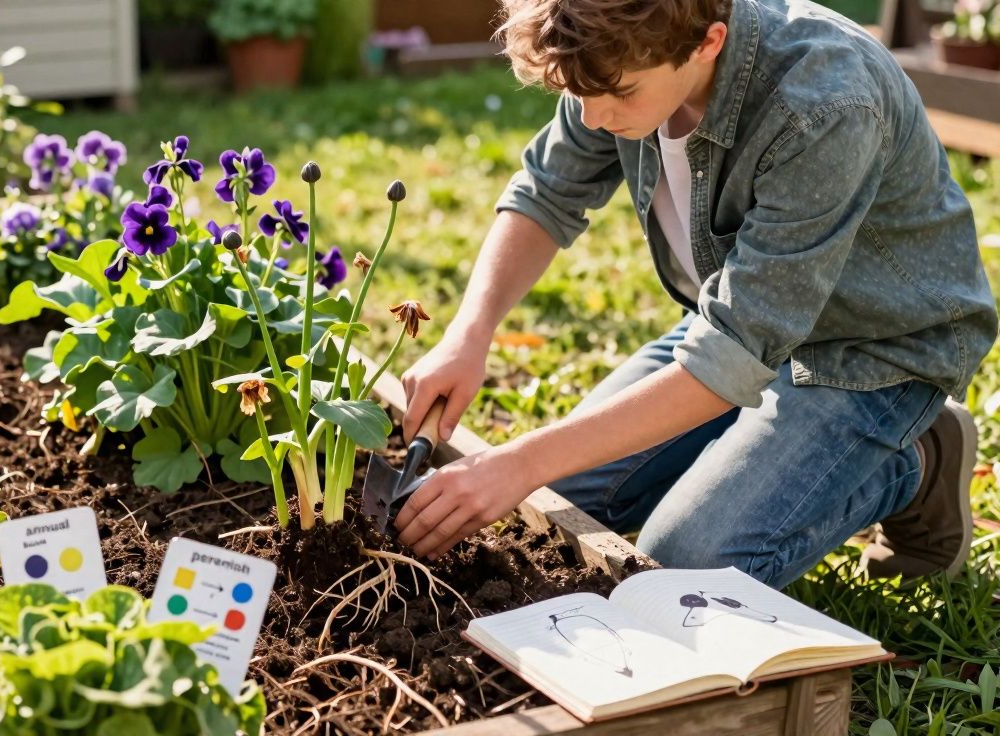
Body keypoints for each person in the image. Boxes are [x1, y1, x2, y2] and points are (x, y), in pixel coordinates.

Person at [393, 0, 997, 589]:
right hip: (744, 321)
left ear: (708, 41)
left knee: (680, 567)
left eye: (620, 95)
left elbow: (731, 353)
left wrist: (521, 460)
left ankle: (917, 461)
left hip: (871, 350)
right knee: (561, 506)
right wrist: (468, 335)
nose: (594, 117)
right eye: (577, 96)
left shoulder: (825, 103)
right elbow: (546, 193)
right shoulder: (611, 60)